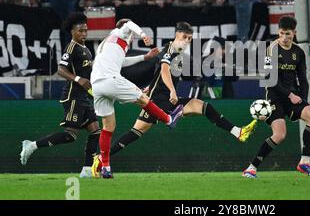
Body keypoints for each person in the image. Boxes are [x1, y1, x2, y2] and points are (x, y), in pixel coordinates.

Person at [98, 23, 256, 162]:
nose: (187, 40)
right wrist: (173, 91)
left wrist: (150, 86)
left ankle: (238, 132)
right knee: (136, 132)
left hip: (161, 97)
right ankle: (101, 158)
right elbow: (165, 70)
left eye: (189, 38)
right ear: (176, 35)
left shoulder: (179, 53)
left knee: (136, 132)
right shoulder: (169, 49)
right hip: (159, 100)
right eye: (184, 36)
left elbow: (158, 72)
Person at [90, 18, 184, 179]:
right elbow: (128, 23)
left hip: (97, 84)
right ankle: (169, 119)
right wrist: (142, 34)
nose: (132, 37)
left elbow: (121, 62)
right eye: (131, 34)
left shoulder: (107, 44)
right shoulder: (120, 32)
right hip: (110, 79)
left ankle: (105, 167)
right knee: (144, 98)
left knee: (108, 127)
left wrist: (144, 57)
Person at [19, 12, 100, 178]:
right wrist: (78, 79)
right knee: (70, 136)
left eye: (86, 30)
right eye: (80, 31)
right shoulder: (71, 48)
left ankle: (86, 170)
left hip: (84, 97)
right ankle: (32, 145)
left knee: (96, 131)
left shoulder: (85, 48)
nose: (84, 34)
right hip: (73, 97)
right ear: (72, 31)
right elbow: (60, 70)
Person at [242, 16, 310, 178]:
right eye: (282, 34)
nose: (285, 38)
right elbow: (270, 79)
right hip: (275, 97)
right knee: (279, 135)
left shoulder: (299, 52)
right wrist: (291, 95)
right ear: (278, 32)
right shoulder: (270, 49)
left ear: (295, 33)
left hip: (293, 97)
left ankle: (304, 162)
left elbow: (303, 79)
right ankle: (251, 168)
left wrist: (303, 101)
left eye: (288, 34)